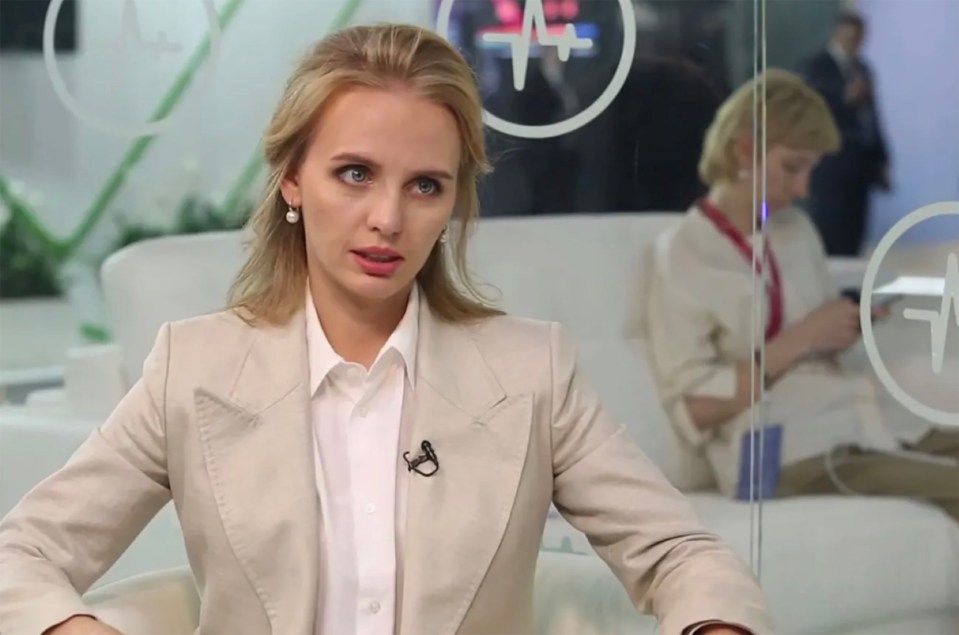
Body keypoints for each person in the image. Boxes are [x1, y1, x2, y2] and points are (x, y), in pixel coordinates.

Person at [0, 24, 771, 635]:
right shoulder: (193, 366)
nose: (388, 219)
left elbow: (679, 552)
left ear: (453, 204)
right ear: (292, 178)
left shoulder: (531, 369)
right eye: (355, 173)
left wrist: (714, 623)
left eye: (425, 186)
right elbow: (21, 554)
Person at [639, 69, 957, 518]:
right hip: (789, 450)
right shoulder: (684, 254)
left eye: (812, 169)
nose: (804, 189)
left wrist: (840, 328)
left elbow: (817, 335)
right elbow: (694, 408)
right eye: (793, 167)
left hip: (859, 419)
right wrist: (802, 338)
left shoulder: (794, 232)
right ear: (744, 150)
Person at [802, 11, 890, 256]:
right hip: (831, 162)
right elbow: (813, 109)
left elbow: (873, 118)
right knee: (831, 229)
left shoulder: (863, 68)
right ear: (838, 33)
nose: (854, 42)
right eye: (850, 36)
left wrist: (881, 158)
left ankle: (853, 289)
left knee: (855, 231)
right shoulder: (817, 66)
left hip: (860, 163)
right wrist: (845, 98)